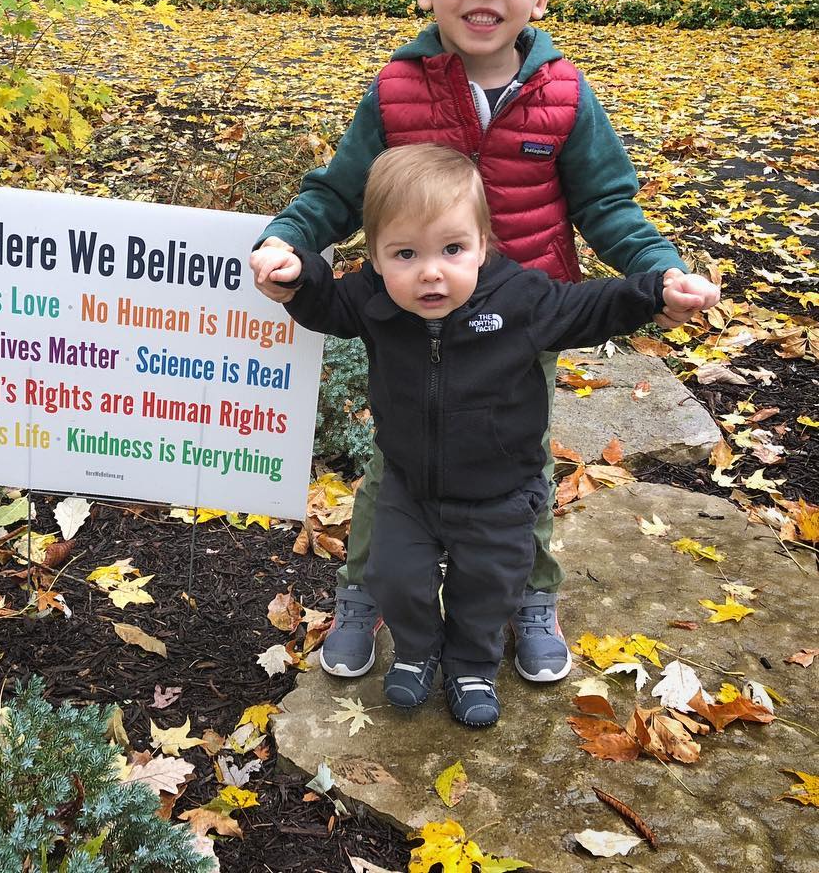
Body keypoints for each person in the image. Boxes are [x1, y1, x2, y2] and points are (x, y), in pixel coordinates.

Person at [249, 0, 710, 688]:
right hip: (408, 314)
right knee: (395, 462)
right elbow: (338, 193)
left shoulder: (563, 94)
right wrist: (288, 241)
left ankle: (530, 593)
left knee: (521, 465)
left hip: (521, 319)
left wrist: (659, 271)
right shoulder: (399, 89)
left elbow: (609, 205)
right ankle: (366, 589)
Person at [268, 144, 719, 725]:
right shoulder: (375, 298)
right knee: (394, 577)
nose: (431, 271)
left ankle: (471, 665)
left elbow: (592, 306)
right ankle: (418, 650)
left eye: (452, 249)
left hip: (499, 492)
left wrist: (653, 292)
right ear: (375, 258)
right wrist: (299, 276)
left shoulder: (521, 300)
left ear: (483, 244)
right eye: (405, 253)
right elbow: (325, 302)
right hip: (408, 488)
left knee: (487, 591)